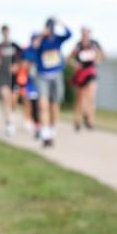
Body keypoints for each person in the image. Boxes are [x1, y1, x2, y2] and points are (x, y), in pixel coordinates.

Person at [35, 18, 72, 147]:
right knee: (43, 104)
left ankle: (52, 129)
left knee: (54, 104)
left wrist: (61, 22)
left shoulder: (57, 39)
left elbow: (69, 34)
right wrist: (41, 35)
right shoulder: (39, 38)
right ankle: (45, 133)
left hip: (56, 74)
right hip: (42, 75)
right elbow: (34, 47)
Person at [69, 27, 105, 131]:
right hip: (80, 74)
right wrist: (75, 65)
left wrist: (98, 58)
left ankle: (90, 121)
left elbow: (103, 55)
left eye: (87, 33)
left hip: (91, 72)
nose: (85, 36)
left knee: (91, 97)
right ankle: (77, 120)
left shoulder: (95, 44)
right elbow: (69, 59)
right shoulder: (78, 46)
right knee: (80, 99)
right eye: (83, 34)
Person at [0, 24, 23, 136]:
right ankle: (8, 123)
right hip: (2, 76)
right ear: (1, 32)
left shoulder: (15, 46)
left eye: (7, 31)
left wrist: (17, 66)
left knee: (14, 101)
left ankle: (12, 119)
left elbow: (22, 59)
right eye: (3, 31)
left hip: (14, 78)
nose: (5, 33)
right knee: (6, 98)